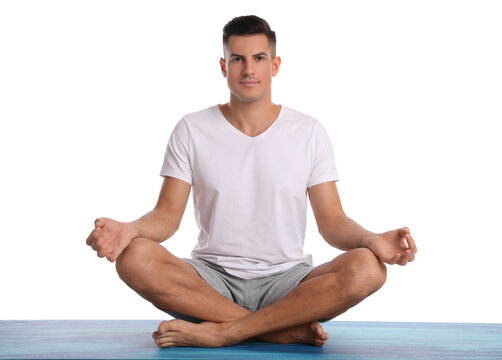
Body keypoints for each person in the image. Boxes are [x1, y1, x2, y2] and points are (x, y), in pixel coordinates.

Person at [86, 15, 417, 348]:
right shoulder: (191, 129)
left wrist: (371, 239)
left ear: (274, 65)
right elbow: (166, 217)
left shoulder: (309, 132)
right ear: (223, 66)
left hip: (289, 282)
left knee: (369, 268)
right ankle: (274, 329)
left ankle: (225, 330)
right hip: (210, 281)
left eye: (258, 58)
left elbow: (332, 222)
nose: (248, 69)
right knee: (134, 257)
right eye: (237, 59)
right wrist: (131, 229)